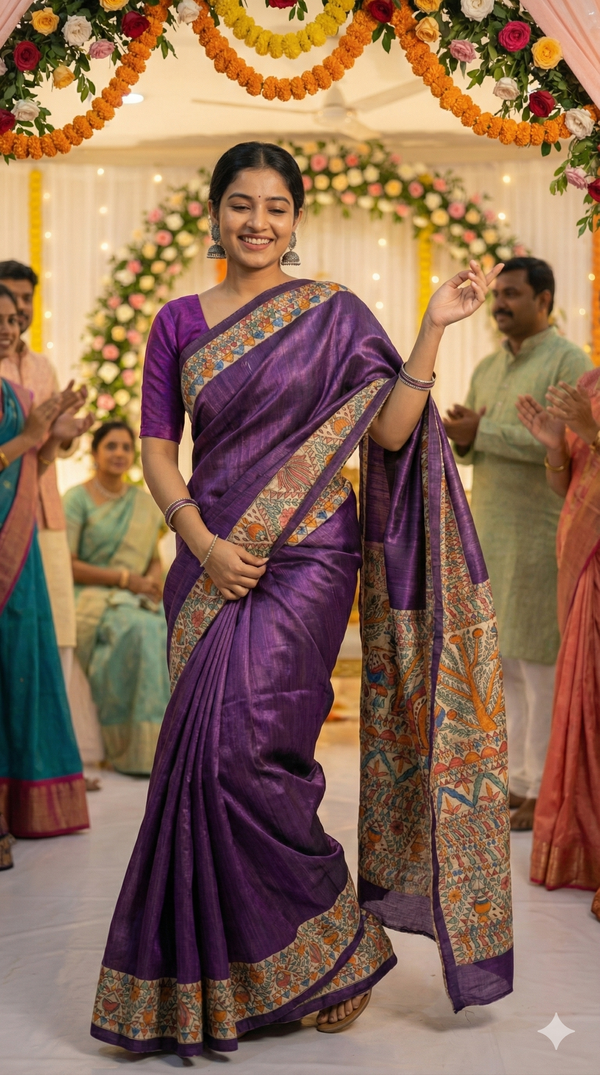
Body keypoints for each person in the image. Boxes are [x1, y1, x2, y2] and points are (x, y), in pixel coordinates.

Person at [91, 143, 514, 1058]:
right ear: (216, 213)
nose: (258, 221)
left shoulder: (334, 313)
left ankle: (337, 945)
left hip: (309, 558)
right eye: (241, 204)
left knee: (252, 752)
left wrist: (431, 329)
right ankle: (249, 973)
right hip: (208, 558)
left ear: (295, 218)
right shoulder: (176, 322)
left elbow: (392, 429)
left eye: (276, 206)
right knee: (199, 763)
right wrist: (202, 541)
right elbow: (159, 447)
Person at [443, 257, 591, 831]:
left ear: (544, 300)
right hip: (491, 535)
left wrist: (485, 433)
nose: (499, 303)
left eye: (512, 294)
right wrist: (465, 434)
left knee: (541, 668)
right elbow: (477, 446)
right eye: (497, 293)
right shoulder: (487, 366)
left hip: (540, 536)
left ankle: (542, 789)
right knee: (504, 665)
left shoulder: (568, 362)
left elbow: (569, 446)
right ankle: (518, 780)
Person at [0, 284, 91, 840]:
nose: (7, 328)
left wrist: (52, 438)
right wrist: (32, 435)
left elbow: (28, 464)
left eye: (13, 319)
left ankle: (21, 807)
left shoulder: (14, 391)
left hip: (20, 535)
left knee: (23, 662)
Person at [515, 372, 600, 917]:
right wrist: (555, 448)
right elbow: (568, 485)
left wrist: (592, 430)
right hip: (580, 559)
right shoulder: (590, 382)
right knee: (586, 706)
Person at [63, 422, 170, 776]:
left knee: (174, 625)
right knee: (140, 630)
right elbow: (67, 563)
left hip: (137, 595)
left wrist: (151, 582)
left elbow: (153, 557)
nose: (120, 453)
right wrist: (125, 580)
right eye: (111, 446)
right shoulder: (76, 500)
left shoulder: (143, 502)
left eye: (126, 447)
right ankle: (136, 751)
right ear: (94, 452)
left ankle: (173, 747)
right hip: (91, 596)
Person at [0, 259, 80, 701]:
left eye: (25, 300)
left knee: (56, 630)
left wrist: (63, 433)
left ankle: (48, 738)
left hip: (45, 509)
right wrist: (35, 435)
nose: (19, 311)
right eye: (10, 300)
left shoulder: (43, 367)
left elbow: (45, 444)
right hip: (6, 513)